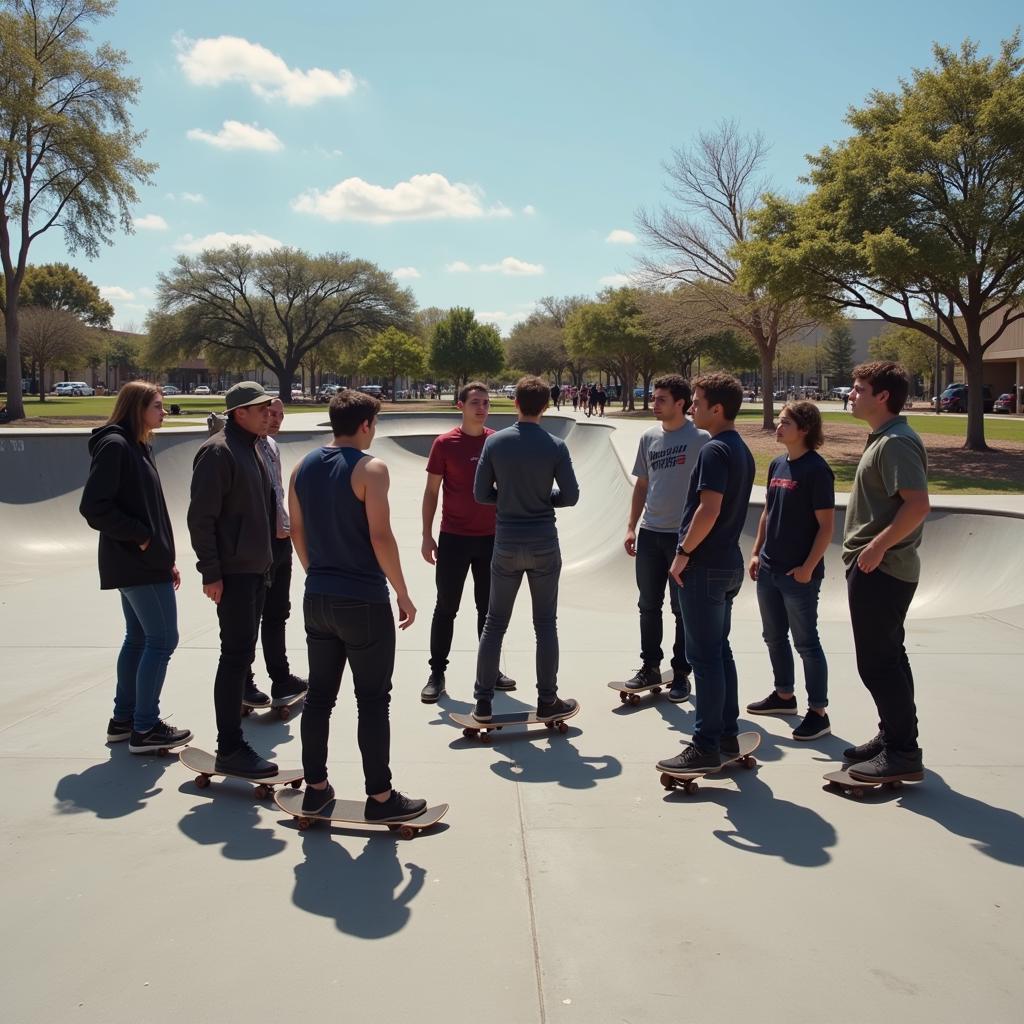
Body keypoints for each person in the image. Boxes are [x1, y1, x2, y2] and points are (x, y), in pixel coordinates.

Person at [289, 389, 427, 821]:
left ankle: (315, 788)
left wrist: (316, 572)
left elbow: (296, 530)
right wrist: (402, 591)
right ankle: (381, 799)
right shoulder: (371, 468)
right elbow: (380, 536)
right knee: (371, 700)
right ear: (366, 424)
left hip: (318, 597)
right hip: (363, 601)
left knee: (319, 699)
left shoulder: (302, 466)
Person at [80, 382, 192, 754]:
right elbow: (94, 507)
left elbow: (148, 508)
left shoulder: (139, 444)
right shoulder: (116, 446)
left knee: (140, 638)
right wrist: (143, 538)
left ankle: (123, 720)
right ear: (136, 407)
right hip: (135, 561)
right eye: (158, 406)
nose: (164, 411)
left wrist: (164, 556)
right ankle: (145, 727)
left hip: (145, 561)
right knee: (163, 640)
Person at [656, 373, 755, 773]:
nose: (692, 407)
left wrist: (682, 553)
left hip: (705, 565)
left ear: (717, 408)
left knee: (705, 658)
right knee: (720, 651)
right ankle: (727, 733)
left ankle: (705, 744)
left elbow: (708, 510)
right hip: (727, 562)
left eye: (696, 401)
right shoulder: (741, 449)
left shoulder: (715, 450)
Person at [471, 375, 580, 723]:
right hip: (543, 541)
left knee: (494, 623)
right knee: (545, 623)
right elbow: (572, 496)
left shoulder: (495, 443)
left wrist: (506, 498)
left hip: (506, 541)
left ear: (515, 403)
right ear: (546, 406)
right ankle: (548, 699)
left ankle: (484, 702)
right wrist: (545, 497)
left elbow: (479, 494)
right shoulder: (555, 445)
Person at [842, 362, 930, 781]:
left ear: (882, 397)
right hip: (878, 565)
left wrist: (877, 547)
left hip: (883, 566)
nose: (852, 394)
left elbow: (917, 505)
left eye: (859, 389)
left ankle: (902, 752)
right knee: (890, 658)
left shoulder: (896, 442)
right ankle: (894, 735)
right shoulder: (883, 438)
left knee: (877, 664)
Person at [188, 381, 278, 778]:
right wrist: (211, 572)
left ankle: (232, 744)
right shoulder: (218, 451)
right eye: (259, 408)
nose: (267, 413)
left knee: (241, 657)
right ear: (239, 412)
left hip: (255, 569)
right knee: (234, 659)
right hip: (235, 573)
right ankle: (229, 747)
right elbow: (200, 519)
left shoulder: (252, 446)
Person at [420, 382, 516, 702]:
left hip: (491, 540)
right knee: (446, 607)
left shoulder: (497, 443)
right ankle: (436, 673)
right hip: (453, 540)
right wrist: (426, 535)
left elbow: (509, 490)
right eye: (475, 402)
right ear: (460, 405)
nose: (482, 407)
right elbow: (431, 492)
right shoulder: (445, 444)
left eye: (486, 402)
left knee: (488, 611)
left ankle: (489, 672)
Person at [746, 401, 835, 740]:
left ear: (805, 429)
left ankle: (818, 712)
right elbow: (768, 511)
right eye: (780, 422)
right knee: (773, 636)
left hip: (799, 574)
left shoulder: (816, 470)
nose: (778, 428)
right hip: (769, 568)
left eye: (785, 423)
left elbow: (826, 527)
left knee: (807, 643)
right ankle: (784, 695)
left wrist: (807, 568)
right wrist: (756, 553)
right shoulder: (777, 464)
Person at [623, 375, 709, 702]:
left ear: (680, 403)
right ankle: (650, 666)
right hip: (650, 534)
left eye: (661, 399)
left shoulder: (700, 439)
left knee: (681, 609)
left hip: (682, 537)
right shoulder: (648, 437)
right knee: (648, 605)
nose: (654, 403)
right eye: (654, 398)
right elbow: (642, 486)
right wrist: (632, 526)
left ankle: (681, 673)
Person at [248, 398, 308, 705]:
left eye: (280, 415)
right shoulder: (242, 449)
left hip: (280, 540)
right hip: (257, 547)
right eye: (270, 414)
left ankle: (281, 678)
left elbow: (277, 491)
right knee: (249, 615)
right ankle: (244, 681)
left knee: (276, 614)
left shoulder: (272, 446)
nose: (275, 420)